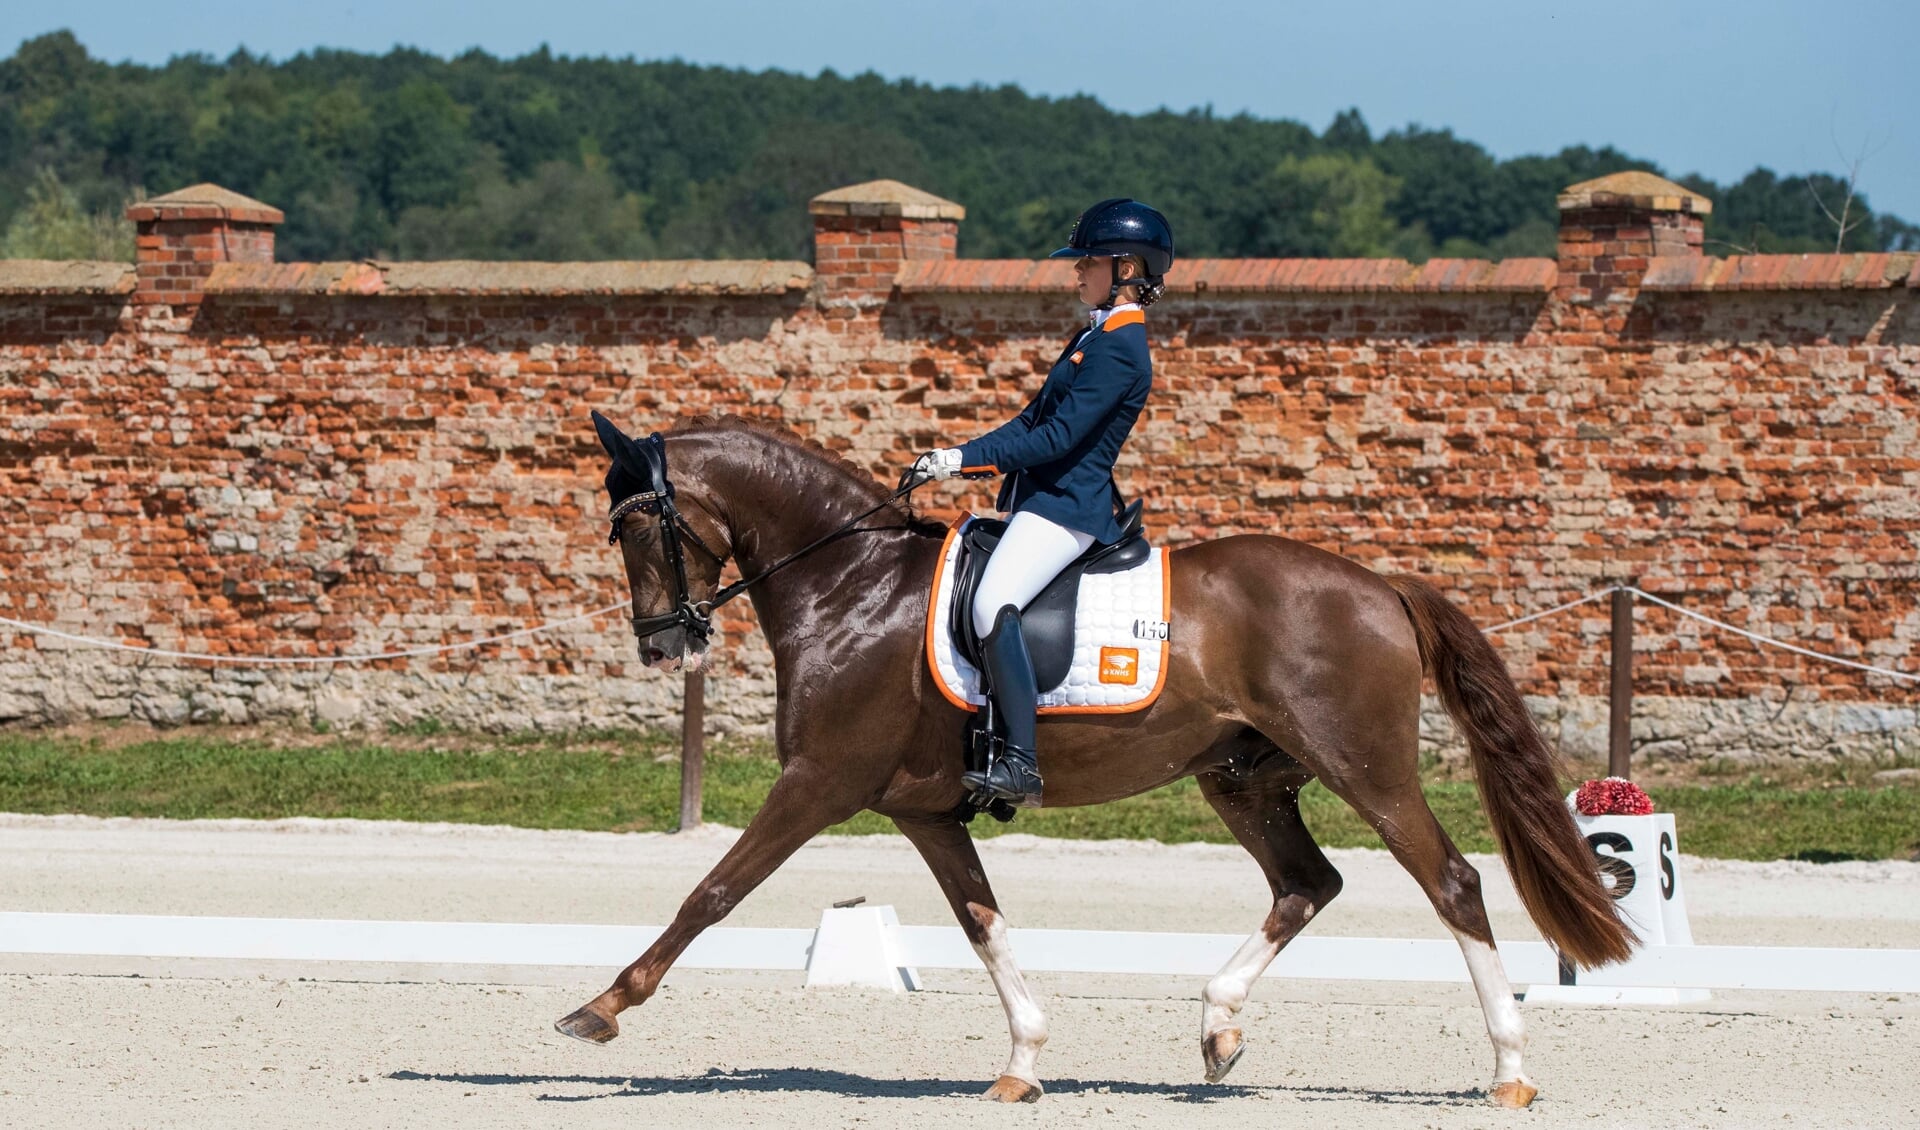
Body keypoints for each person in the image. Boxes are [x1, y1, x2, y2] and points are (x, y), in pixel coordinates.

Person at [909, 198, 1174, 807]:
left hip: (1068, 506)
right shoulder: (1094, 334)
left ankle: (1020, 763)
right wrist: (955, 454)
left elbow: (1058, 439)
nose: (1078, 272)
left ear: (1128, 268)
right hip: (1042, 499)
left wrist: (970, 463)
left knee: (990, 603)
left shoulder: (1121, 346)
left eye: (1090, 262)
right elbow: (1030, 419)